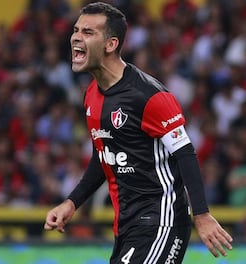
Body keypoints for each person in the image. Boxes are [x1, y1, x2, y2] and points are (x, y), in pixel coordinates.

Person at [43, 2, 233, 263]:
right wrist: (72, 202)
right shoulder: (91, 96)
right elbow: (104, 155)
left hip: (161, 221)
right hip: (127, 225)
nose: (76, 36)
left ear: (111, 44)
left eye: (88, 32)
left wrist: (201, 215)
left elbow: (185, 153)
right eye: (76, 30)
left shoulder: (149, 96)